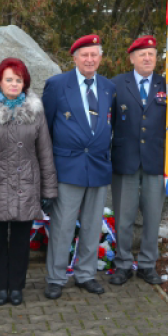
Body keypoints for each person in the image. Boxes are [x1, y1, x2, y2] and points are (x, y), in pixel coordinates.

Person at [0, 57, 57, 306]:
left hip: (26, 185)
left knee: (19, 240)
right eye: (9, 79)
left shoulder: (36, 113)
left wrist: (49, 190)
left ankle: (16, 286)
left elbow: (45, 153)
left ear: (25, 83)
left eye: (19, 80)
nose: (14, 84)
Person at [42, 34, 116, 300]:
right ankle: (56, 277)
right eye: (84, 55)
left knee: (92, 224)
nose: (89, 59)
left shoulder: (108, 87)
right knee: (62, 226)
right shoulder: (57, 85)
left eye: (94, 54)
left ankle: (85, 274)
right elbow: (45, 129)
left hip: (97, 166)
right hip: (67, 166)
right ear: (74, 58)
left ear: (100, 57)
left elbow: (111, 124)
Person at [109, 36, 167, 286]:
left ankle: (146, 264)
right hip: (125, 159)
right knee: (124, 217)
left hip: (156, 160)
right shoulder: (116, 85)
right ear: (131, 58)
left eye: (151, 54)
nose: (147, 58)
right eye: (142, 54)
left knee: (153, 217)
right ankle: (122, 263)